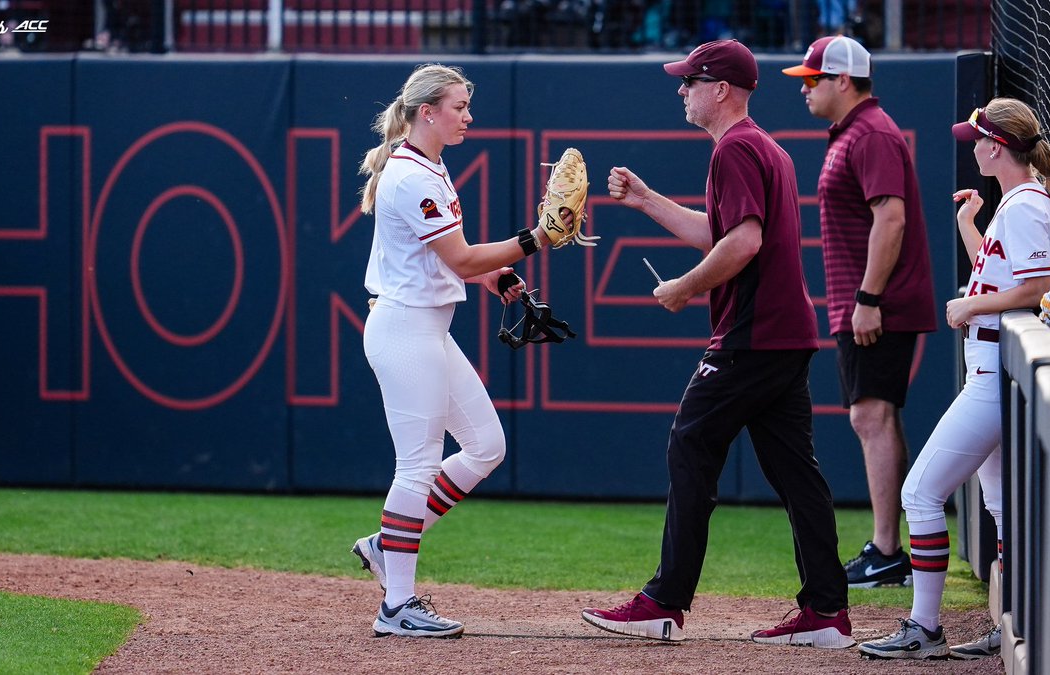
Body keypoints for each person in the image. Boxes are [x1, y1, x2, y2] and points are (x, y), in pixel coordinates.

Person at [579, 39, 853, 648]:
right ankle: (827, 612)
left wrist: (682, 288)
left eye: (691, 81)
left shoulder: (736, 149)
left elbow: (743, 243)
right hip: (783, 334)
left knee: (691, 444)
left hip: (752, 335)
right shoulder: (760, 146)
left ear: (721, 89)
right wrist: (648, 200)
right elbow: (722, 232)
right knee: (796, 474)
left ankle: (664, 601)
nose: (682, 89)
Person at [352, 63, 556, 638]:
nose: (468, 115)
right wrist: (535, 238)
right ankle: (396, 607)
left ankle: (384, 544)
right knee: (415, 465)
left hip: (426, 327)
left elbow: (449, 263)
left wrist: (495, 277)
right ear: (427, 113)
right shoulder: (413, 174)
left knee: (486, 445)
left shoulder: (428, 164)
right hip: (404, 330)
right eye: (459, 106)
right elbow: (462, 258)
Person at [858, 98, 1050, 659]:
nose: (972, 147)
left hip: (996, 372)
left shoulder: (1025, 202)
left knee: (920, 493)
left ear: (997, 145)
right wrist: (970, 229)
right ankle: (1012, 621)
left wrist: (968, 309)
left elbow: (1037, 287)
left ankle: (924, 627)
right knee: (997, 505)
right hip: (992, 366)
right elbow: (999, 276)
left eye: (976, 139)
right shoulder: (1015, 200)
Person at [782, 35, 936, 589]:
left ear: (842, 80)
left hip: (878, 303)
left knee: (870, 416)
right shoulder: (860, 131)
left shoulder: (869, 133)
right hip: (870, 301)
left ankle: (889, 549)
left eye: (812, 79)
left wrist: (869, 299)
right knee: (877, 415)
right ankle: (890, 547)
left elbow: (890, 220)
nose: (805, 88)